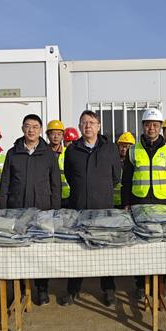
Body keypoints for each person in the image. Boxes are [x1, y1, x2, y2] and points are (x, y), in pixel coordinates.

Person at [60, 110, 122, 307]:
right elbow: (70, 176)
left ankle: (109, 289)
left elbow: (116, 176)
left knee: (105, 250)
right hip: (79, 207)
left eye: (92, 122)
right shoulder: (72, 150)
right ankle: (73, 290)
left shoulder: (110, 148)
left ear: (99, 126)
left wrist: (100, 190)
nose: (88, 126)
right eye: (84, 122)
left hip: (103, 208)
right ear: (79, 126)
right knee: (76, 250)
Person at [0, 114, 61, 305]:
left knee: (41, 251)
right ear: (22, 129)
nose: (31, 130)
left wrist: (55, 211)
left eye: (35, 126)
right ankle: (17, 290)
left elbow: (55, 184)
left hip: (42, 211)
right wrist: (3, 210)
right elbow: (5, 183)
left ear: (41, 130)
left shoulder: (48, 154)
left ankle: (42, 289)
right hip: (17, 210)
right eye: (27, 126)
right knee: (16, 252)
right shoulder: (13, 153)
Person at [122, 108, 166, 299]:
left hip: (164, 204)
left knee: (162, 245)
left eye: (155, 125)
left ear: (161, 127)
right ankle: (141, 285)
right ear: (143, 126)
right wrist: (126, 203)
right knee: (141, 244)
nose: (151, 128)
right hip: (139, 203)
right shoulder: (133, 150)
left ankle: (161, 283)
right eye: (148, 125)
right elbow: (126, 180)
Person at [46, 120, 70, 207]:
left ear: (63, 136)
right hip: (48, 195)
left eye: (59, 134)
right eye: (53, 134)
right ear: (48, 135)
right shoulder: (42, 153)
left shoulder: (68, 152)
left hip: (66, 196)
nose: (56, 136)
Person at [114, 132, 136, 208]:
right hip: (114, 202)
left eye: (127, 147)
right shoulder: (113, 161)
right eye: (122, 146)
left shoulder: (135, 163)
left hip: (129, 202)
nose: (124, 149)